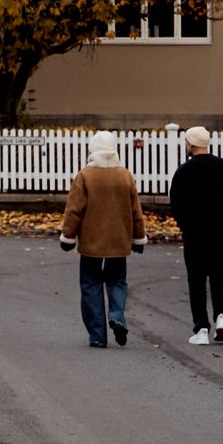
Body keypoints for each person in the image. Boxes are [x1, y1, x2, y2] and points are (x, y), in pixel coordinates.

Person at [62, 136, 146, 348]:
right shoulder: (125, 175)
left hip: (91, 243)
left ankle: (98, 335)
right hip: (119, 241)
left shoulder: (85, 175)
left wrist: (68, 236)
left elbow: (74, 210)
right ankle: (117, 314)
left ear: (93, 149)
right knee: (117, 281)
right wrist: (138, 237)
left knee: (91, 285)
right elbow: (136, 210)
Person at [167, 124, 223, 345]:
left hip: (194, 234)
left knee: (197, 279)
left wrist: (185, 223)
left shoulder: (184, 172)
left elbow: (176, 204)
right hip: (219, 232)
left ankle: (201, 328)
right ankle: (221, 316)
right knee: (219, 275)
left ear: (191, 144)